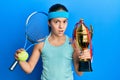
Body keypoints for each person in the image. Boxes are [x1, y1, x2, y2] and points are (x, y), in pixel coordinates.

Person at [15, 3, 91, 80]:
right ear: (49, 23)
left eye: (64, 22)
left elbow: (79, 73)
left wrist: (85, 60)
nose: (61, 26)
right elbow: (29, 69)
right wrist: (20, 60)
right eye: (57, 22)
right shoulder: (41, 43)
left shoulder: (73, 43)